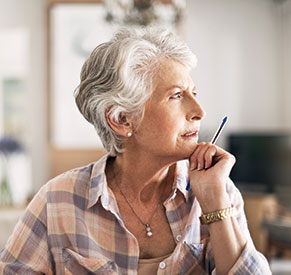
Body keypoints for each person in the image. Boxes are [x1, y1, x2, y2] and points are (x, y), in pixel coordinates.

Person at [0, 27, 271, 275]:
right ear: (121, 120)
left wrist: (215, 202)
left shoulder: (218, 190)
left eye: (194, 94)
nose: (199, 112)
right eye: (176, 95)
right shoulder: (57, 201)